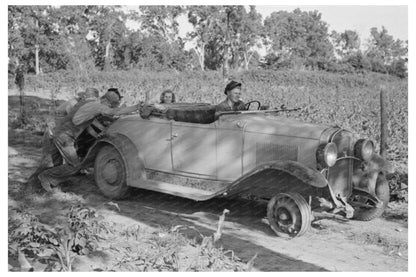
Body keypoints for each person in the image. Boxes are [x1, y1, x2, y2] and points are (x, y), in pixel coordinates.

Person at [37, 89, 141, 191]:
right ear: (105, 100)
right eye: (111, 104)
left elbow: (86, 124)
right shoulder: (97, 106)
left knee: (57, 163)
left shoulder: (89, 104)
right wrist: (136, 107)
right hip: (64, 136)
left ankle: (50, 184)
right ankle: (45, 176)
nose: (110, 106)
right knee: (75, 166)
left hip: (59, 133)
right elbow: (114, 112)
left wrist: (99, 134)